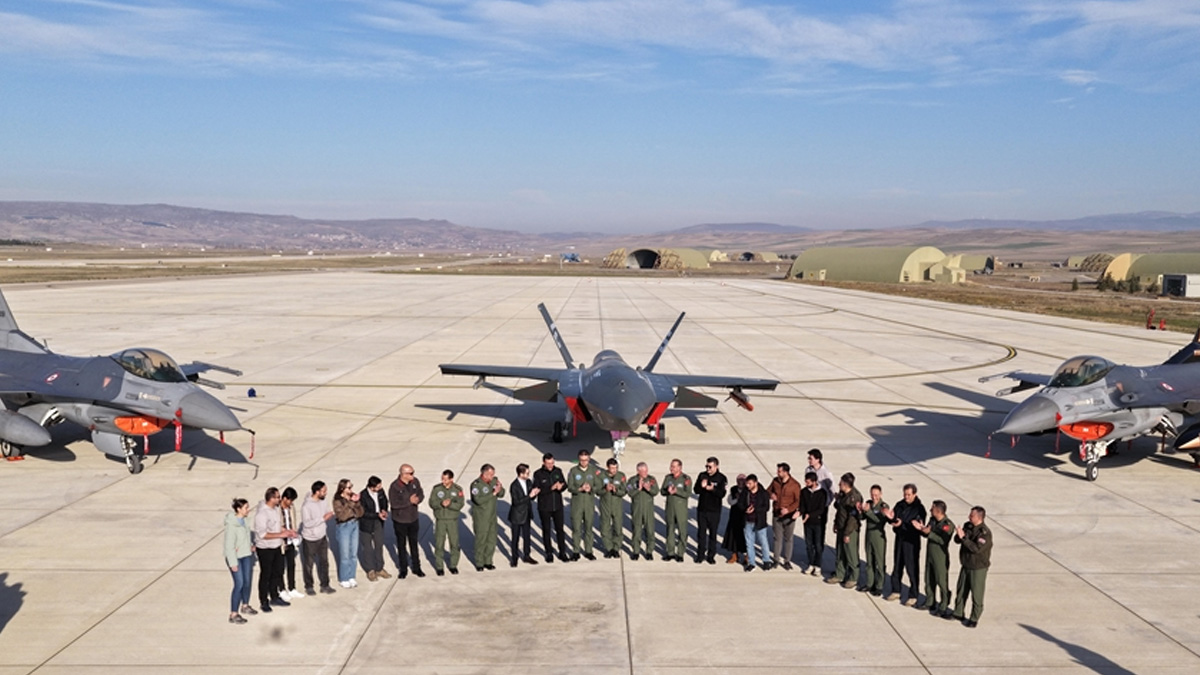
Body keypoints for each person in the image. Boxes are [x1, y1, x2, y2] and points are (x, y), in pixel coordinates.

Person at [253, 487, 295, 612]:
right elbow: (263, 534)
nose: (279, 499)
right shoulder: (262, 514)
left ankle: (274, 596)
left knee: (277, 573)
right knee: (266, 575)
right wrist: (281, 535)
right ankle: (264, 601)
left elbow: (277, 526)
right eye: (277, 497)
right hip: (265, 548)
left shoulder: (276, 510)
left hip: (276, 547)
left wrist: (287, 531)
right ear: (271, 498)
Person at [883, 483, 926, 605]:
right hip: (900, 539)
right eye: (905, 494)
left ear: (914, 494)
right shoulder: (900, 505)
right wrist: (890, 518)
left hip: (911, 542)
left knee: (912, 568)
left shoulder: (919, 509)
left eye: (908, 494)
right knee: (897, 565)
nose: (906, 497)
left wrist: (902, 524)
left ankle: (913, 594)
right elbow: (894, 517)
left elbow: (917, 526)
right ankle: (896, 590)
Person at [952, 506, 993, 627]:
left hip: (978, 567)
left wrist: (964, 537)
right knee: (961, 590)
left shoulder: (984, 533)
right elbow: (957, 540)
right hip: (966, 564)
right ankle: (958, 612)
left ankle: (974, 617)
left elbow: (976, 549)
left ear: (979, 517)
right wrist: (959, 535)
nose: (969, 517)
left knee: (977, 593)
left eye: (972, 516)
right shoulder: (968, 526)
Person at [915, 500, 953, 617]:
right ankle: (930, 601)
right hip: (930, 554)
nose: (930, 511)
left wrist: (930, 533)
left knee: (941, 581)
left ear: (938, 511)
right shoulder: (932, 520)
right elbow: (927, 531)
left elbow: (943, 540)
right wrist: (922, 529)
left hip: (940, 556)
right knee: (929, 578)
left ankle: (943, 605)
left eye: (932, 509)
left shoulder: (947, 525)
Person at [388, 464, 426, 579]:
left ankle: (417, 567)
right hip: (400, 520)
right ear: (403, 474)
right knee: (401, 545)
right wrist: (409, 502)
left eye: (413, 472)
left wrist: (418, 499)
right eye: (410, 473)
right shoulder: (394, 487)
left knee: (414, 544)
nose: (413, 475)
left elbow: (421, 493)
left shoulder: (415, 482)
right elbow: (394, 504)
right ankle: (403, 569)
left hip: (413, 518)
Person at [300, 481, 336, 595]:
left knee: (324, 562)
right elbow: (307, 523)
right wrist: (322, 519)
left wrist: (328, 516)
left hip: (322, 537)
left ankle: (325, 585)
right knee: (308, 564)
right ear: (317, 492)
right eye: (324, 491)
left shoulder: (323, 501)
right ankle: (309, 586)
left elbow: (326, 513)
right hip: (310, 539)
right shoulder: (306, 506)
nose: (326, 493)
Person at [828, 472, 863, 588]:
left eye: (841, 483)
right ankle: (840, 574)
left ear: (847, 484)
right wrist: (835, 523)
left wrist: (847, 534)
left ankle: (853, 577)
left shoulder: (854, 497)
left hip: (850, 530)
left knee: (850, 553)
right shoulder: (843, 494)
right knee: (840, 552)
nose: (839, 485)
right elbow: (840, 510)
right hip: (841, 526)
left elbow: (852, 518)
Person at [566, 449, 603, 561]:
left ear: (589, 459)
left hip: (589, 504)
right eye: (581, 460)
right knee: (576, 529)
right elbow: (570, 487)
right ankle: (576, 551)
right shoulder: (573, 471)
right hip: (577, 505)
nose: (583, 462)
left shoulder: (593, 471)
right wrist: (580, 489)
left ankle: (588, 551)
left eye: (586, 460)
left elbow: (599, 486)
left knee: (588, 529)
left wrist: (591, 489)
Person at [224, 498, 256, 624]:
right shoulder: (232, 525)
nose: (248, 510)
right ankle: (233, 613)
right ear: (238, 509)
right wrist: (233, 563)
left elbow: (246, 537)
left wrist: (250, 546)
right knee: (239, 584)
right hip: (236, 558)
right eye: (246, 508)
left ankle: (245, 605)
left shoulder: (245, 521)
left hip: (246, 555)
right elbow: (229, 546)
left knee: (247, 582)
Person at [532, 453, 569, 562]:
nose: (551, 465)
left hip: (557, 506)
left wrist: (561, 487)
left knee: (560, 530)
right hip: (544, 507)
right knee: (546, 530)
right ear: (543, 463)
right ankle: (549, 552)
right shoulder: (538, 474)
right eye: (548, 463)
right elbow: (537, 490)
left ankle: (562, 552)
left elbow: (565, 484)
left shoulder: (558, 471)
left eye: (552, 463)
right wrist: (551, 488)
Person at [428, 469, 465, 575]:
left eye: (445, 479)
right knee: (439, 544)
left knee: (454, 543)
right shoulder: (437, 489)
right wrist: (441, 503)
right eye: (442, 478)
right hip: (441, 520)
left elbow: (460, 504)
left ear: (451, 479)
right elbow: (431, 502)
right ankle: (439, 566)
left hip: (452, 520)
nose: (443, 481)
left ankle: (453, 565)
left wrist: (450, 504)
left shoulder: (458, 489)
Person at [469, 463, 505, 571]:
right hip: (481, 518)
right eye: (490, 474)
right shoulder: (476, 485)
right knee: (481, 540)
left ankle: (488, 561)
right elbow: (478, 500)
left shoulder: (494, 481)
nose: (492, 476)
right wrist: (493, 494)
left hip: (492, 517)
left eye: (493, 474)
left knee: (491, 540)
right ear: (484, 474)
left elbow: (502, 494)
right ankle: (479, 562)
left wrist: (500, 488)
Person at [693, 456, 727, 565]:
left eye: (710, 467)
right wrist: (701, 486)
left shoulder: (721, 478)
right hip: (702, 510)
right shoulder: (702, 475)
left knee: (713, 534)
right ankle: (700, 555)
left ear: (716, 466)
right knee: (701, 534)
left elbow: (722, 494)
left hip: (714, 511)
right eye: (706, 466)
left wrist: (713, 489)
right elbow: (695, 490)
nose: (708, 469)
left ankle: (711, 555)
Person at [768, 462, 801, 570]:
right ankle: (776, 560)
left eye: (779, 471)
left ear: (786, 472)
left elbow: (798, 501)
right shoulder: (775, 481)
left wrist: (788, 510)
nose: (777, 473)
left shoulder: (795, 485)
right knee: (777, 538)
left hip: (789, 517)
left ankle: (787, 561)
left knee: (788, 539)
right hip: (777, 514)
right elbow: (767, 491)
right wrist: (771, 495)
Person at [858, 484, 889, 596]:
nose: (874, 497)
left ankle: (879, 586)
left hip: (878, 536)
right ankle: (870, 583)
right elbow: (862, 518)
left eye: (876, 495)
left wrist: (868, 512)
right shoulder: (869, 504)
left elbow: (879, 521)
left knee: (879, 563)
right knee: (869, 561)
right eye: (872, 494)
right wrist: (861, 511)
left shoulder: (883, 507)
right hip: (869, 535)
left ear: (880, 494)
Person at [332, 478, 364, 588]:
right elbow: (342, 516)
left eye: (351, 487)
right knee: (345, 554)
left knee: (353, 553)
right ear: (342, 488)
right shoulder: (337, 500)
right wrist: (351, 503)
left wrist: (357, 503)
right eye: (349, 487)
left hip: (354, 524)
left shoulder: (352, 496)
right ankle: (344, 578)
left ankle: (351, 576)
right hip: (344, 526)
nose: (351, 490)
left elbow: (360, 513)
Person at [358, 476, 390, 581]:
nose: (381, 487)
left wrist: (384, 510)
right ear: (372, 487)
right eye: (378, 486)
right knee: (367, 548)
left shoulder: (380, 492)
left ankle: (379, 568)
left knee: (379, 545)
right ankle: (370, 570)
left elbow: (385, 501)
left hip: (378, 522)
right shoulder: (363, 496)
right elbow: (362, 513)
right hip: (366, 524)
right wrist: (377, 515)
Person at [799, 471, 829, 576]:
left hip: (818, 523)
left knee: (818, 545)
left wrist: (809, 515)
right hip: (807, 523)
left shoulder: (822, 493)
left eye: (808, 482)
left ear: (814, 481)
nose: (806, 484)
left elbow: (821, 509)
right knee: (808, 544)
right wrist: (800, 512)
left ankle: (818, 565)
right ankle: (811, 563)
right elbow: (802, 505)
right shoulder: (804, 492)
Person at [626, 462, 659, 560]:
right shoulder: (632, 480)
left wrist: (649, 489)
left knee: (650, 530)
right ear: (638, 471)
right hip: (637, 509)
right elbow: (629, 492)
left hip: (648, 509)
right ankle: (636, 551)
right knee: (637, 531)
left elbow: (656, 491)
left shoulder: (651, 479)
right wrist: (638, 488)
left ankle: (649, 551)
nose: (645, 472)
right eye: (643, 471)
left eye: (646, 470)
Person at [507, 463, 539, 567]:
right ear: (521, 474)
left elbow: (530, 498)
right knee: (515, 538)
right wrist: (529, 496)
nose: (528, 474)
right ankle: (514, 557)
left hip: (527, 514)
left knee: (526, 536)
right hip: (517, 515)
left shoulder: (529, 482)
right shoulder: (514, 486)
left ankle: (527, 555)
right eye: (527, 473)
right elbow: (516, 502)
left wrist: (534, 494)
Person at [661, 458, 691, 562]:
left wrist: (677, 491)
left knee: (682, 531)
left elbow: (687, 494)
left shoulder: (685, 479)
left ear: (679, 467)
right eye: (671, 466)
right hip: (670, 508)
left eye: (674, 467)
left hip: (680, 509)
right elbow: (662, 491)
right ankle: (670, 552)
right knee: (670, 530)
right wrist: (667, 491)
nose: (671, 468)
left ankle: (680, 553)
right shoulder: (668, 478)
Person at [740, 474, 771, 571]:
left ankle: (766, 561)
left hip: (759, 522)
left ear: (755, 483)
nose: (748, 486)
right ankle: (752, 563)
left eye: (750, 483)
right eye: (747, 484)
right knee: (749, 543)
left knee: (763, 542)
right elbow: (740, 503)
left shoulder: (763, 493)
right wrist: (745, 509)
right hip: (748, 521)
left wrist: (755, 509)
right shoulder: (745, 492)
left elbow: (766, 507)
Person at [598, 458, 627, 558]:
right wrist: (605, 489)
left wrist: (616, 490)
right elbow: (597, 491)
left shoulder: (621, 476)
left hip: (617, 506)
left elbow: (624, 491)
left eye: (615, 468)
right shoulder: (601, 476)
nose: (614, 470)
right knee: (605, 527)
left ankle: (616, 548)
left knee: (618, 528)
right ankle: (609, 548)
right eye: (612, 468)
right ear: (607, 467)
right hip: (605, 505)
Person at [277, 487, 302, 600]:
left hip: (291, 541)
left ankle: (292, 588)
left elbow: (293, 522)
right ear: (284, 498)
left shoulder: (291, 508)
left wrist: (294, 533)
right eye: (290, 500)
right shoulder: (277, 509)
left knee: (291, 565)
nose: (291, 503)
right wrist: (286, 532)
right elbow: (276, 526)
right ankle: (281, 589)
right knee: (280, 567)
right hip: (281, 542)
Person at [723, 474, 747, 565]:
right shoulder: (733, 489)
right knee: (733, 536)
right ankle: (734, 554)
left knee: (745, 536)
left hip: (744, 516)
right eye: (739, 480)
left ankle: (746, 555)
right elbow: (730, 501)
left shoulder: (748, 490)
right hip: (734, 515)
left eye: (743, 480)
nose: (741, 482)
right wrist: (737, 499)